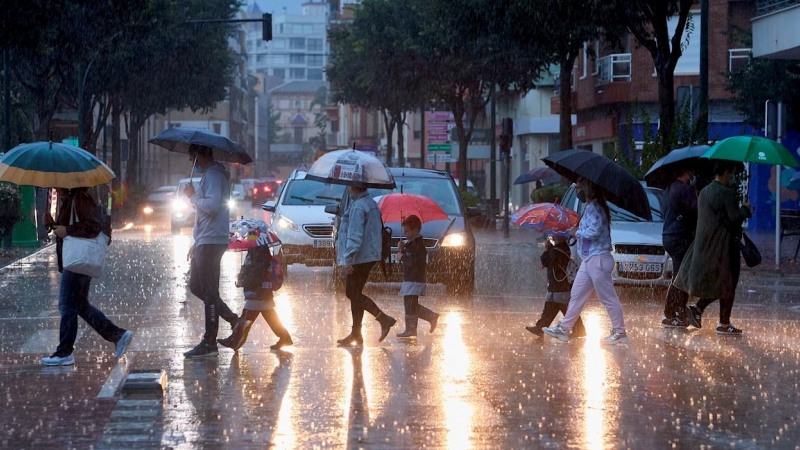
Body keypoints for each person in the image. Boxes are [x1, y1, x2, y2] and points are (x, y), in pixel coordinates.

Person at [40, 187, 132, 366]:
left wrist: (67, 229)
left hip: (78, 260)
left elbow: (92, 226)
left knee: (66, 304)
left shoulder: (80, 199)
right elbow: (66, 230)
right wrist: (51, 224)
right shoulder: (69, 201)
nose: (55, 189)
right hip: (75, 259)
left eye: (57, 186)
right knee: (80, 305)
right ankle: (118, 335)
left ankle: (64, 352)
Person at [543, 176, 629, 345]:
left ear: (589, 188)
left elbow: (594, 231)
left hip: (598, 260)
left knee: (608, 298)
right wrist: (575, 230)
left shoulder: (595, 208)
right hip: (589, 260)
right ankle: (564, 328)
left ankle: (619, 332)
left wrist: (577, 233)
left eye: (580, 187)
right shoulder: (591, 207)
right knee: (576, 295)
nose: (577, 191)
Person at [674, 161, 752, 335]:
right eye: (731, 173)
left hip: (704, 245)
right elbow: (734, 219)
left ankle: (699, 310)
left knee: (721, 282)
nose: (732, 177)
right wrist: (745, 210)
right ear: (726, 172)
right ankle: (722, 322)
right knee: (728, 283)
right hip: (724, 246)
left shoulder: (704, 192)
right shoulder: (727, 193)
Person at [183, 144, 239, 358]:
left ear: (200, 155)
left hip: (212, 241)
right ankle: (233, 320)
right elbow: (205, 215)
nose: (191, 162)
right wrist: (196, 242)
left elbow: (213, 206)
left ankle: (209, 341)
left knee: (208, 292)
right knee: (197, 286)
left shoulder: (214, 176)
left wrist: (193, 196)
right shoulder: (209, 175)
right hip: (204, 240)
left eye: (192, 157)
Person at [336, 184, 396, 346]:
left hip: (359, 257)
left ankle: (383, 319)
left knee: (352, 293)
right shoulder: (370, 204)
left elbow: (355, 235)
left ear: (353, 187)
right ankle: (356, 334)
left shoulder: (358, 207)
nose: (347, 187)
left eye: (349, 185)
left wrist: (348, 258)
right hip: (369, 255)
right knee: (355, 294)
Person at [218, 245, 293, 351]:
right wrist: (242, 276)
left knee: (246, 318)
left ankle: (234, 341)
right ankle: (284, 337)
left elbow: (256, 273)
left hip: (257, 291)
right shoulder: (256, 249)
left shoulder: (259, 251)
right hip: (261, 291)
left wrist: (244, 282)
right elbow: (250, 267)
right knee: (269, 315)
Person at [526, 234, 586, 338]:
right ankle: (540, 328)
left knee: (565, 309)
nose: (552, 237)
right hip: (560, 285)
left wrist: (546, 248)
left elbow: (546, 261)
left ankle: (579, 329)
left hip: (559, 286)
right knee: (551, 308)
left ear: (559, 237)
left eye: (554, 235)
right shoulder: (564, 247)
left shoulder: (556, 250)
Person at [660, 165, 698, 328]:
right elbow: (696, 212)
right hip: (680, 237)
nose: (693, 175)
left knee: (678, 276)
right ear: (686, 172)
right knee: (681, 278)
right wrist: (696, 195)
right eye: (692, 172)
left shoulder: (669, 189)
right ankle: (676, 312)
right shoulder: (684, 189)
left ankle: (672, 311)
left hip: (668, 235)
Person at [395, 215, 439, 339]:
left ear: (416, 231)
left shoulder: (417, 246)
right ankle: (413, 328)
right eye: (404, 231)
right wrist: (402, 249)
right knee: (410, 303)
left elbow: (412, 262)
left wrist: (402, 256)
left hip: (414, 279)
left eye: (407, 231)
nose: (405, 234)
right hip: (411, 278)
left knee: (410, 304)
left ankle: (419, 324)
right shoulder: (412, 244)